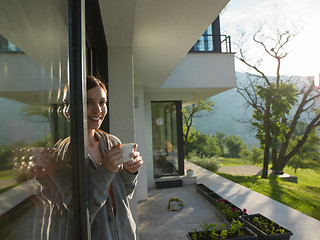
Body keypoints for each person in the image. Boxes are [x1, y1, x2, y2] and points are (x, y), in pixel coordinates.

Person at [27, 75, 143, 240]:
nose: (98, 110)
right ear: (69, 110)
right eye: (88, 102)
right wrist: (106, 170)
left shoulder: (112, 143)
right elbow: (81, 212)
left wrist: (130, 173)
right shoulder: (64, 154)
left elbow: (123, 194)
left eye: (102, 102)